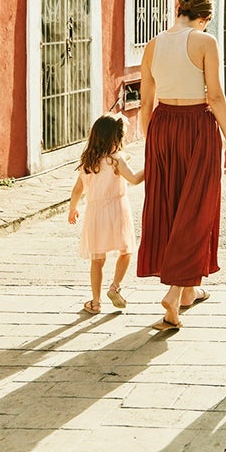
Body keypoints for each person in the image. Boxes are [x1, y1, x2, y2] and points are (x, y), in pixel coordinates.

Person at [138, 0, 226, 328]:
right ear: (205, 18)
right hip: (197, 127)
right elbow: (216, 95)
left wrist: (150, 142)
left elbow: (146, 101)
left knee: (172, 205)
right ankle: (175, 290)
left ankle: (191, 289)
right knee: (197, 208)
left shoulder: (153, 44)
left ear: (179, 10)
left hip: (163, 127)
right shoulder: (205, 42)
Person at [67, 113, 144, 315]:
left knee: (97, 260)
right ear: (115, 138)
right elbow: (134, 179)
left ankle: (95, 302)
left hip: (95, 213)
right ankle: (115, 287)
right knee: (126, 250)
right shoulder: (117, 160)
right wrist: (151, 166)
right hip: (117, 210)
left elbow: (77, 190)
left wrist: (72, 208)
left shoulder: (88, 162)